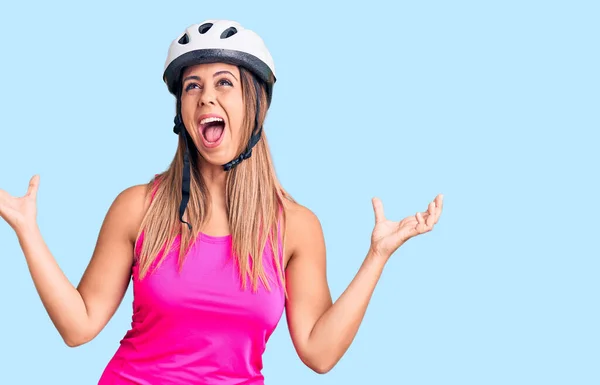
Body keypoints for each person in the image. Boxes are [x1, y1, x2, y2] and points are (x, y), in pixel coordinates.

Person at [0, 19, 443, 384]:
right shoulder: (138, 208)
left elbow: (319, 352)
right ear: (182, 113)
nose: (206, 96)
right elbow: (78, 327)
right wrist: (26, 229)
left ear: (255, 104)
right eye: (192, 86)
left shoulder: (295, 226)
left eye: (224, 83)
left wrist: (377, 256)